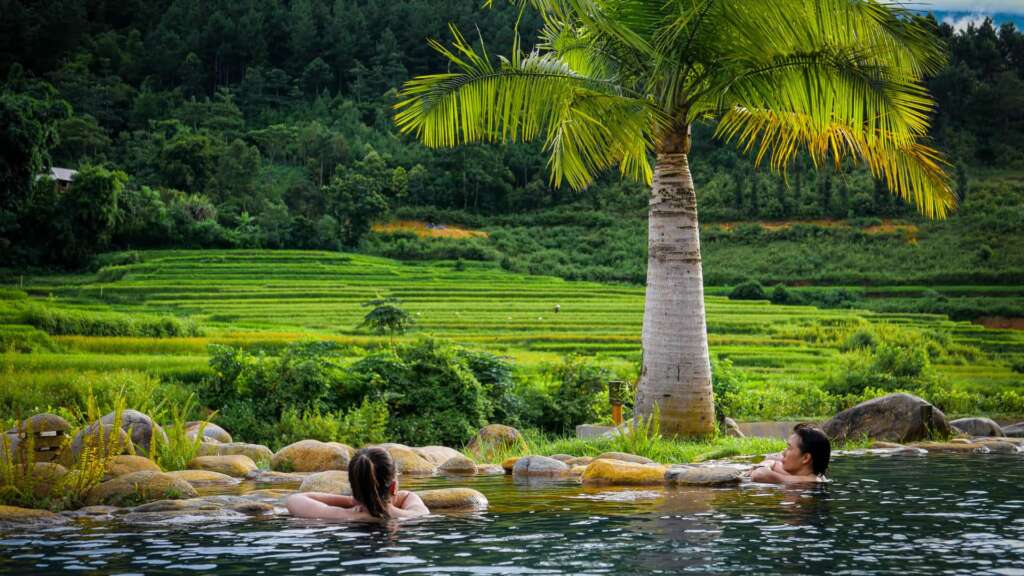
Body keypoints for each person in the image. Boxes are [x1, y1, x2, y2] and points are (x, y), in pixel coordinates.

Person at [286, 447, 429, 521]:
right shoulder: (411, 515)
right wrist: (385, 504)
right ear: (394, 487)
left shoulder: (342, 515)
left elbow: (294, 499)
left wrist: (353, 501)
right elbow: (410, 498)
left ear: (353, 487)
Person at [750, 423, 830, 484]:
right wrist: (768, 463)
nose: (783, 452)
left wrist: (762, 466)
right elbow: (773, 462)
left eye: (789, 448)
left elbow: (759, 475)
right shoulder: (807, 475)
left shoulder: (807, 481)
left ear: (805, 458)